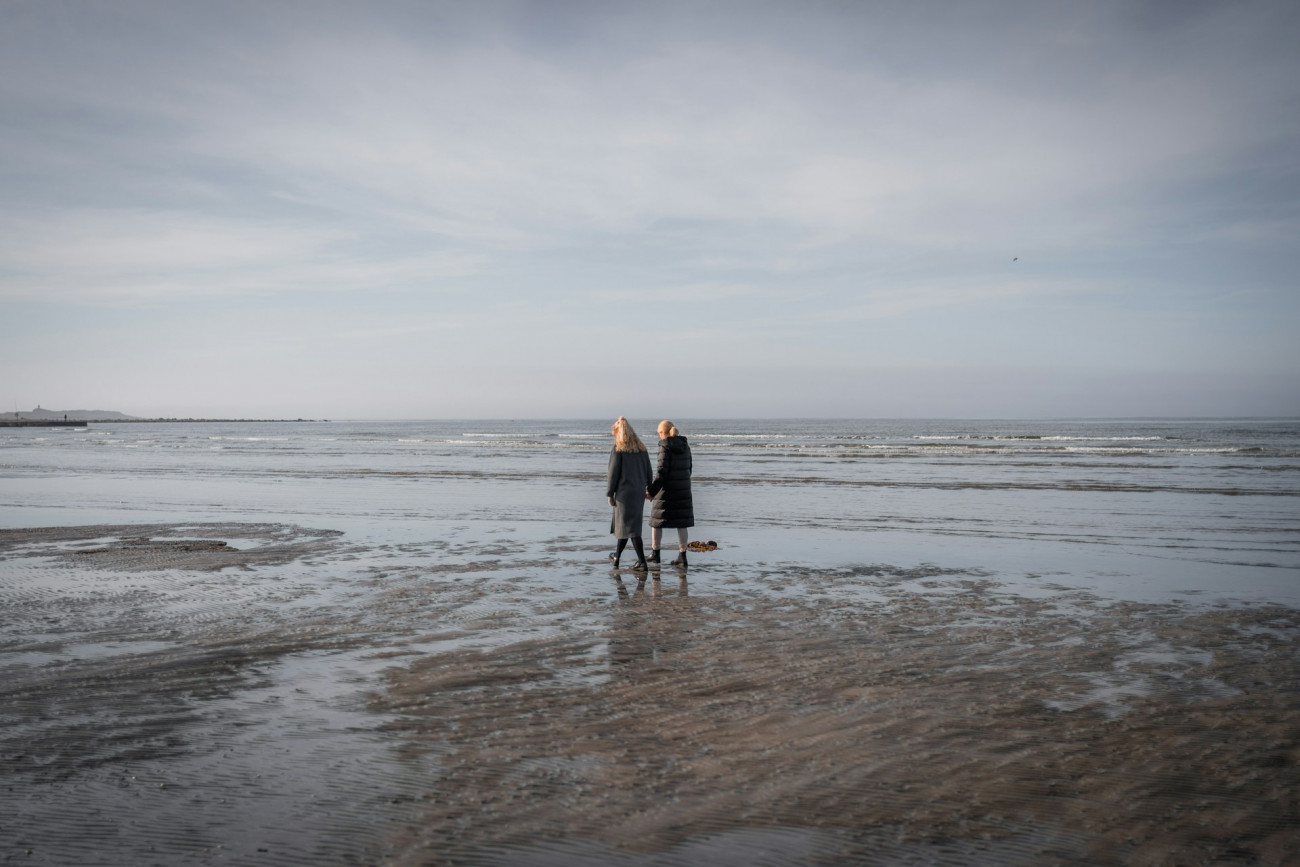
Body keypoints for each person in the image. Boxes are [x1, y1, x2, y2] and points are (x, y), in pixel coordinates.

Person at [606, 417, 653, 571]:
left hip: (624, 494)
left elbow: (613, 473)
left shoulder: (618, 449)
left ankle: (642, 562)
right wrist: (648, 489)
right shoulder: (641, 448)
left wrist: (610, 493)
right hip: (638, 493)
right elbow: (649, 472)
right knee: (627, 527)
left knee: (630, 529)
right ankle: (617, 557)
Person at [646, 419, 694, 567]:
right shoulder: (685, 446)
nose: (659, 436)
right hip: (683, 488)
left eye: (659, 433)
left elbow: (661, 473)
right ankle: (682, 555)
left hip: (666, 490)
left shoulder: (664, 446)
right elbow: (689, 468)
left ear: (663, 432)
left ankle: (655, 553)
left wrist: (651, 492)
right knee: (682, 523)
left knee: (656, 521)